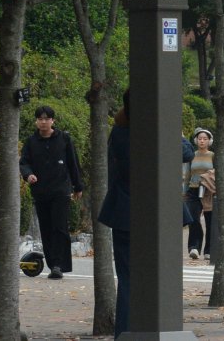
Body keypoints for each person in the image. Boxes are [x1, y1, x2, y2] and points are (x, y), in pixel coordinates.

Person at [19, 105, 83, 279]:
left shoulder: (64, 139)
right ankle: (52, 262)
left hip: (61, 190)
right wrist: (28, 174)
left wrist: (78, 186)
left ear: (53, 121)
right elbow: (24, 162)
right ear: (36, 121)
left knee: (60, 227)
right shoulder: (31, 142)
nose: (43, 122)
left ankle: (58, 266)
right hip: (40, 191)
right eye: (40, 119)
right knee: (46, 228)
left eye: (47, 119)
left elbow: (73, 163)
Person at [98, 94, 132, 336]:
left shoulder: (119, 133)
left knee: (127, 277)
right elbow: (185, 152)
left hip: (123, 211)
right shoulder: (158, 130)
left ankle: (124, 331)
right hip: (154, 215)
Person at [184, 127, 216, 260]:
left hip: (208, 191)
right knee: (193, 219)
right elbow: (188, 174)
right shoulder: (192, 155)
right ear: (196, 140)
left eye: (205, 139)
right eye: (200, 139)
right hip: (193, 189)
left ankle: (208, 250)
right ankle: (194, 247)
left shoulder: (213, 155)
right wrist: (185, 191)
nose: (202, 141)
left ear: (209, 141)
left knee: (210, 221)